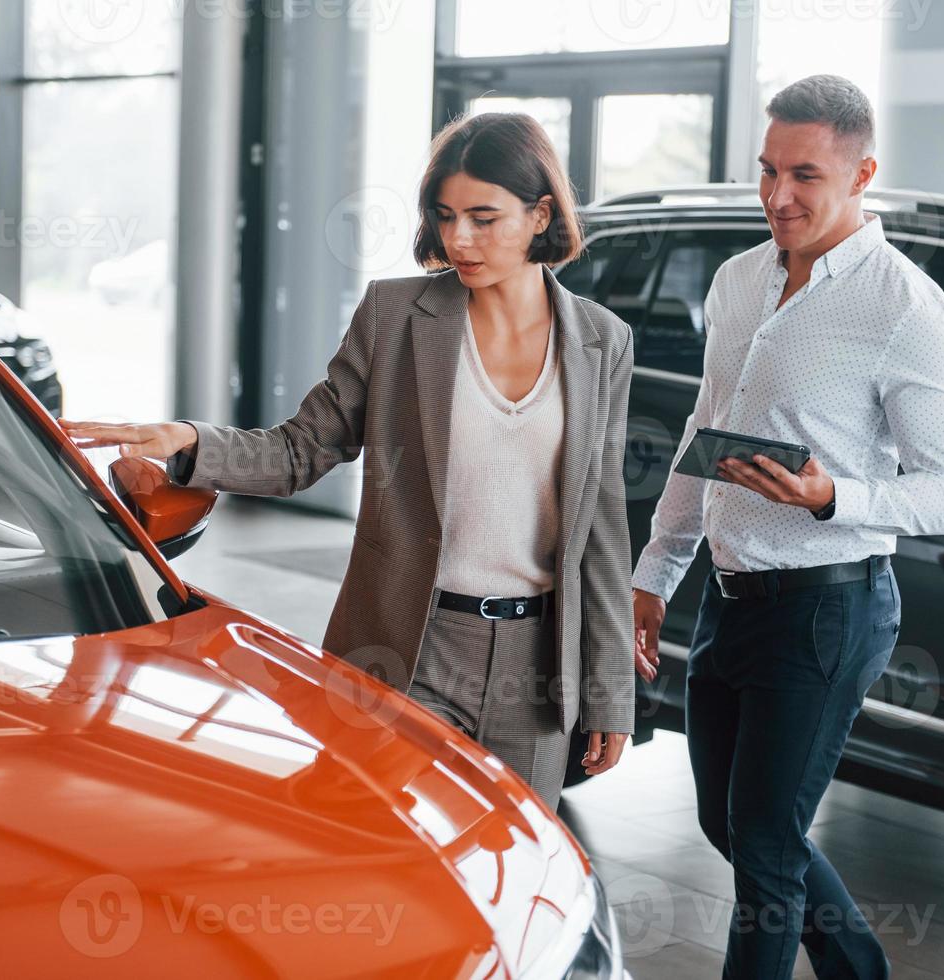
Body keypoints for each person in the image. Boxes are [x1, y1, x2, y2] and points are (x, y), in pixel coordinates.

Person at [62, 112, 636, 810]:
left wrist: (609, 690)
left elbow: (599, 527)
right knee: (390, 863)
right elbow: (301, 449)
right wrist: (189, 443)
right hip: (411, 646)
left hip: (540, 664)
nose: (459, 239)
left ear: (541, 211)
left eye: (484, 218)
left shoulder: (603, 341)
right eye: (446, 215)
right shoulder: (396, 315)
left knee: (510, 875)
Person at [631, 75, 944, 978]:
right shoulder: (738, 280)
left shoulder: (905, 309)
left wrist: (835, 498)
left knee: (767, 850)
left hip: (829, 608)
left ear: (863, 173)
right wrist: (653, 576)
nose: (779, 197)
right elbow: (704, 441)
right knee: (732, 824)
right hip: (733, 599)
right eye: (768, 171)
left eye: (807, 177)